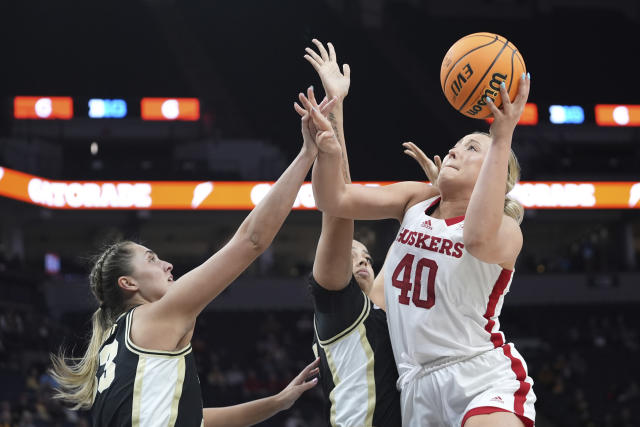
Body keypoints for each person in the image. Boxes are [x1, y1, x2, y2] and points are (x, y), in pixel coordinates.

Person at [49, 95, 338, 427]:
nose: (167, 264)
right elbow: (252, 240)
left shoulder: (114, 348)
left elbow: (195, 419)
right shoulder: (157, 315)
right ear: (128, 283)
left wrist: (277, 401)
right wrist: (306, 154)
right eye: (152, 258)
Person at [306, 74, 536, 426]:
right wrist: (328, 147)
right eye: (458, 143)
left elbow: (475, 237)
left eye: (473, 148)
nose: (456, 149)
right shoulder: (416, 200)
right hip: (416, 386)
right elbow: (333, 199)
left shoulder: (506, 230)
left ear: (495, 172)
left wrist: (502, 135)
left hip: (480, 375)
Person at [296, 39, 401, 427]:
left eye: (366, 258)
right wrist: (335, 105)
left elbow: (411, 242)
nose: (360, 260)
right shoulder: (336, 304)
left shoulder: (374, 305)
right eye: (351, 254)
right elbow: (340, 208)